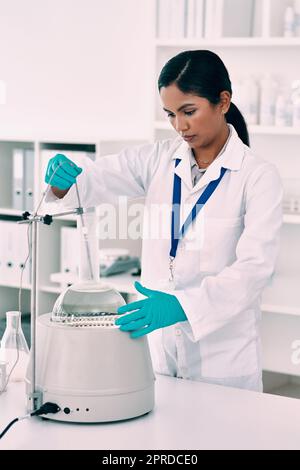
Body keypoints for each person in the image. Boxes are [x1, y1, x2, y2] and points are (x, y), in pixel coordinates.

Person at [45, 50, 283, 392]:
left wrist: (184, 306)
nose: (179, 126)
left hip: (224, 363)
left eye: (189, 112)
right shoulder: (157, 159)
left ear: (223, 101)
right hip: (160, 357)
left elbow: (254, 270)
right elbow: (92, 182)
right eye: (170, 114)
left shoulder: (258, 177)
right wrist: (62, 180)